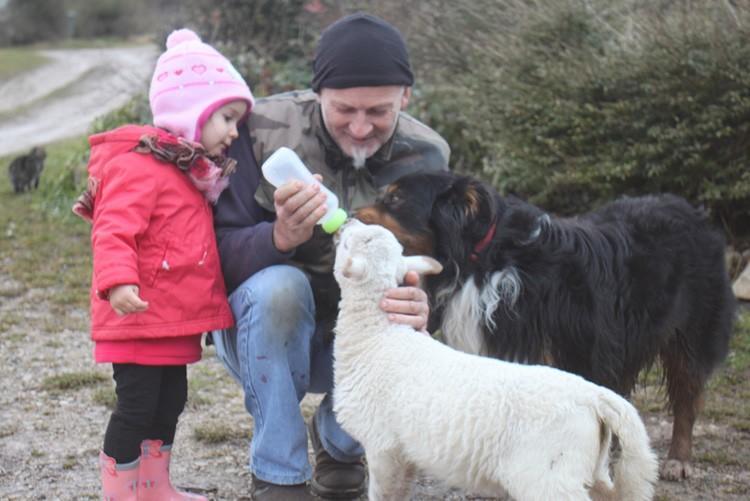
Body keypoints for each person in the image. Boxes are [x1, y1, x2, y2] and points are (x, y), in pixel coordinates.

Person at [211, 12, 450, 501]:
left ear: (406, 96)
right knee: (280, 286)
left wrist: (430, 304)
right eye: (344, 109)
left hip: (363, 335)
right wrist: (277, 237)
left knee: (408, 312)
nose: (361, 128)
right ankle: (278, 474)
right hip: (266, 331)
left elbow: (445, 269)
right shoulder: (258, 131)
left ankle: (341, 444)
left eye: (379, 111)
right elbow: (211, 259)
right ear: (316, 92)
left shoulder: (430, 155)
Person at [73, 28, 254, 501]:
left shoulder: (185, 169)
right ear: (191, 114)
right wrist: (116, 283)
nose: (235, 132)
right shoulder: (138, 166)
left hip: (171, 320)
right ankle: (120, 493)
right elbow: (113, 228)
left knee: (170, 402)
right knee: (136, 406)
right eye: (227, 118)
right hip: (137, 316)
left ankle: (154, 488)